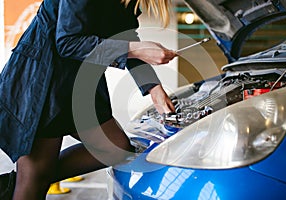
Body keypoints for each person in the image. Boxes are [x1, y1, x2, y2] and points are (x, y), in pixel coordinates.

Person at [0, 0, 177, 199]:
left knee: (115, 148)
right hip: (43, 80)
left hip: (80, 83)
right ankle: (27, 180)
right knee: (32, 186)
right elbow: (67, 42)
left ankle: (21, 180)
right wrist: (135, 48)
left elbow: (125, 36)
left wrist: (154, 88)